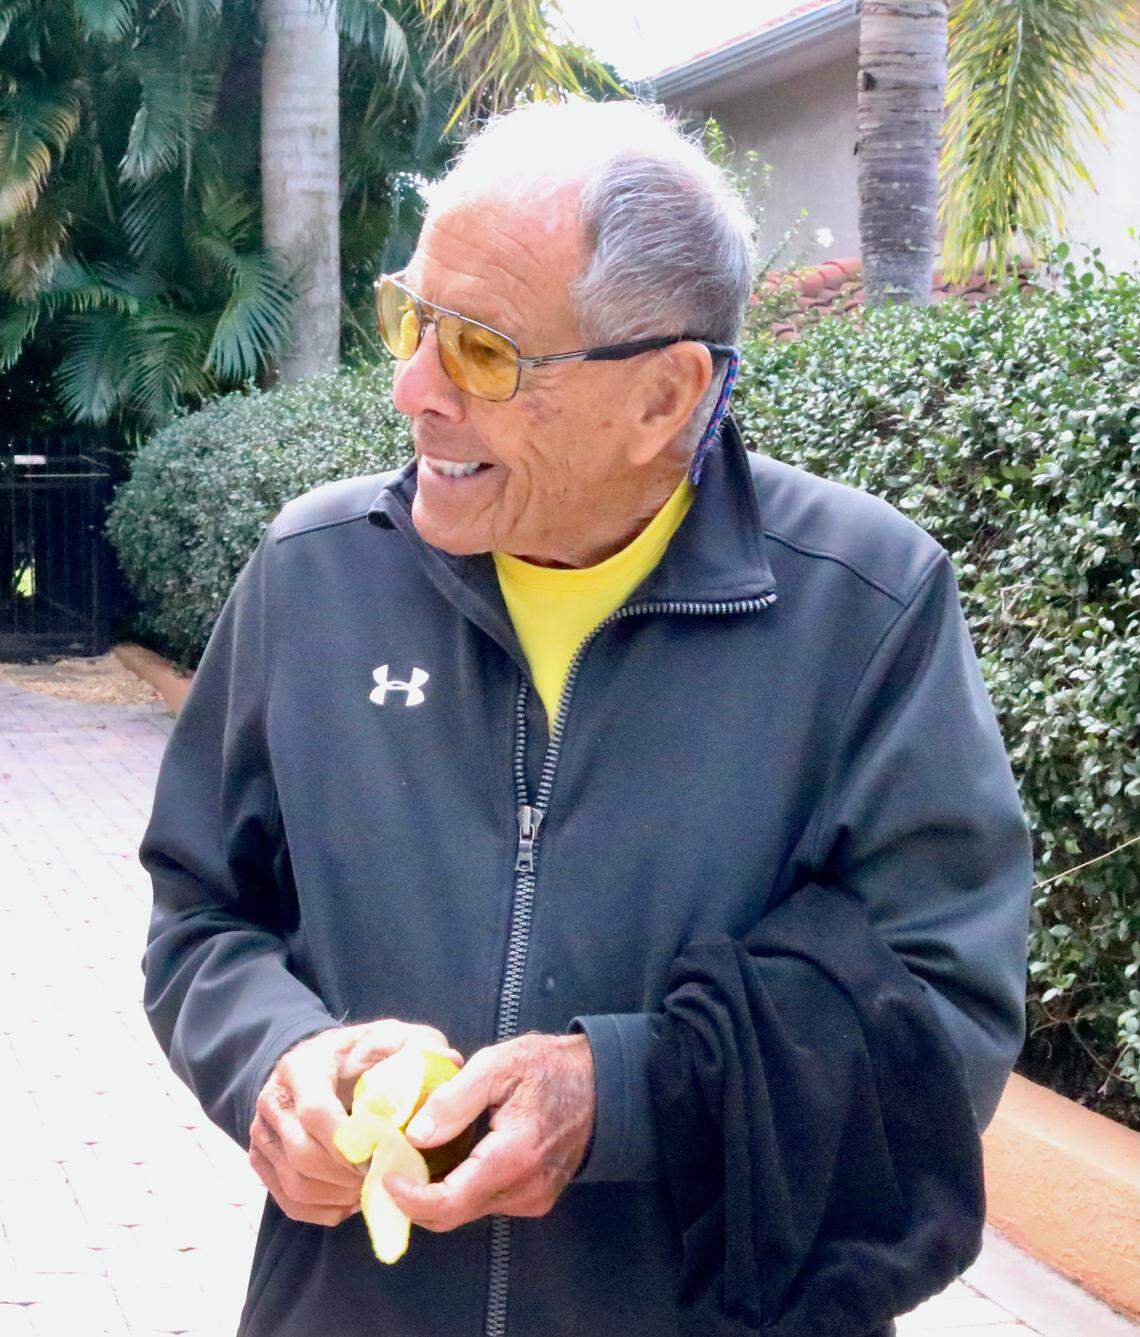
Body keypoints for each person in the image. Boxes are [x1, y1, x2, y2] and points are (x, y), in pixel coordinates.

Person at [139, 99, 1032, 1337]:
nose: (412, 389)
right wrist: (273, 1062)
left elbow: (939, 1025)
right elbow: (204, 914)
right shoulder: (314, 573)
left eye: (484, 352)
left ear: (666, 396)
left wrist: (613, 1093)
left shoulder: (865, 607)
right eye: (415, 320)